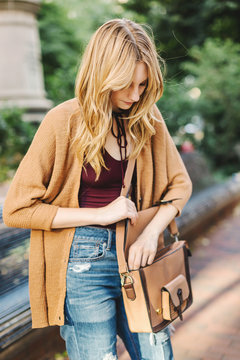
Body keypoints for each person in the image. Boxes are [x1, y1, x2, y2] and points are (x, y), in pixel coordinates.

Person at [3, 18, 192, 360]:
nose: (135, 96)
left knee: (158, 355)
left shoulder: (147, 118)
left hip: (138, 254)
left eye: (142, 85)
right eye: (126, 85)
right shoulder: (63, 121)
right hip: (81, 263)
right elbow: (17, 209)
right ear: (102, 74)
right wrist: (101, 213)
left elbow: (180, 185)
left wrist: (151, 234)